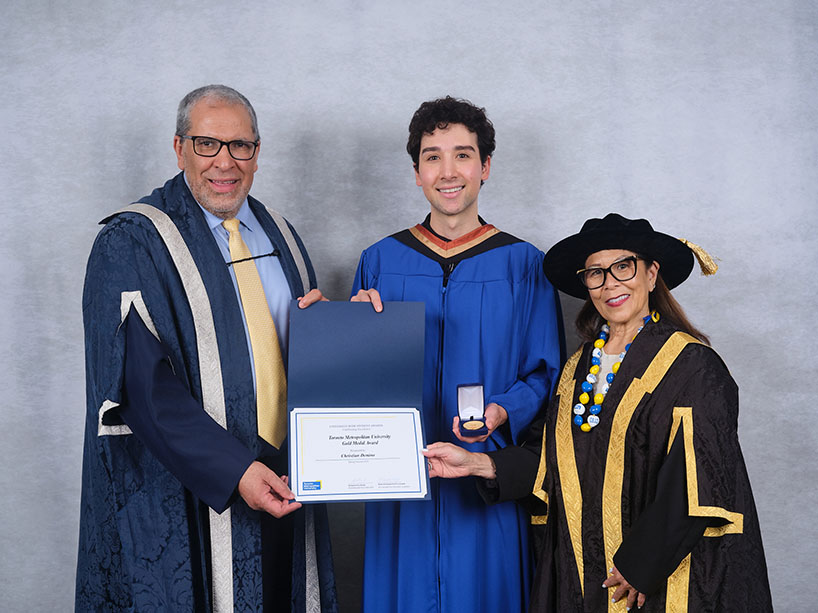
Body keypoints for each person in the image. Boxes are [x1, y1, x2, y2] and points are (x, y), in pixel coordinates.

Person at [424, 213, 774, 612]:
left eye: (623, 267)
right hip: (583, 573)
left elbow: (697, 478)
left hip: (662, 577)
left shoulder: (693, 366)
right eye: (595, 273)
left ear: (651, 273)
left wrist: (640, 566)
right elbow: (553, 460)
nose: (610, 284)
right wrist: (477, 463)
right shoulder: (578, 369)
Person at [76, 85, 337, 612]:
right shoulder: (132, 241)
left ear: (257, 153)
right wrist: (235, 470)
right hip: (185, 495)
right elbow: (141, 385)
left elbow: (293, 358)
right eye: (207, 145)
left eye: (240, 146)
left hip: (285, 481)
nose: (225, 163)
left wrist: (344, 329)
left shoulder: (281, 236)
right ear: (178, 148)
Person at [350, 96, 564, 612]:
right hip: (400, 489)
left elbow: (544, 374)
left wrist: (502, 411)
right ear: (417, 173)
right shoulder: (379, 262)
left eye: (463, 155)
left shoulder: (525, 265)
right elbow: (351, 382)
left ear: (485, 167)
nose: (448, 171)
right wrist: (347, 327)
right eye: (432, 156)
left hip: (483, 483)